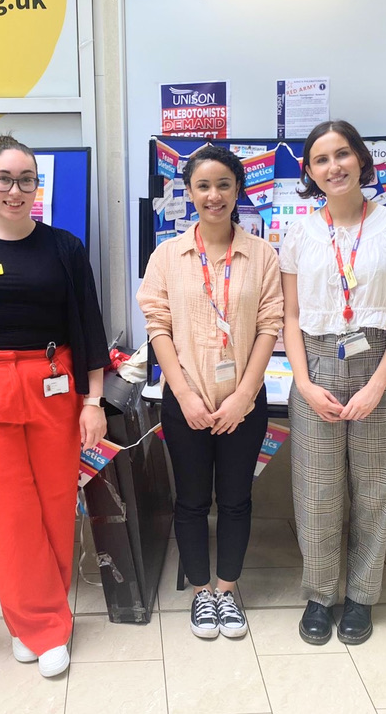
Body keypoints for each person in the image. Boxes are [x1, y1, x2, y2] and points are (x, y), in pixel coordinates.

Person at [0, 134, 109, 678]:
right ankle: (44, 626)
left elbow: (89, 327)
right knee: (8, 513)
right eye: (4, 179)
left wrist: (93, 401)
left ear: (38, 186)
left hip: (54, 383)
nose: (15, 189)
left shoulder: (64, 247)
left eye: (25, 179)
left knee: (55, 504)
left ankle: (33, 619)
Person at [280, 120, 386, 646]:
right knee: (316, 492)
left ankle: (361, 595)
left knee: (374, 491)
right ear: (309, 172)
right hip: (315, 368)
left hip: (379, 365)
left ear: (360, 159)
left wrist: (377, 385)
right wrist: (303, 382)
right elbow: (290, 318)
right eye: (321, 159)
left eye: (342, 155)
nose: (333, 166)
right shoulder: (300, 232)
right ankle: (320, 594)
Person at [137, 146, 283, 639]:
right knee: (193, 500)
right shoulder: (168, 256)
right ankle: (201, 592)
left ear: (237, 189)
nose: (213, 195)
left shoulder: (261, 254)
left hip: (244, 401)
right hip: (186, 401)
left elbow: (270, 327)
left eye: (223, 184)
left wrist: (245, 395)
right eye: (203, 186)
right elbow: (158, 327)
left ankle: (227, 590)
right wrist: (185, 396)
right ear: (189, 192)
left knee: (237, 499)